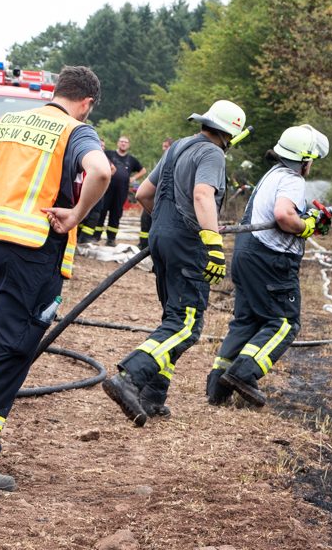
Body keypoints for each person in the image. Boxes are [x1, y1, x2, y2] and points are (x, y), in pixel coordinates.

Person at [0, 66, 111, 491]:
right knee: (10, 352)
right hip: (30, 255)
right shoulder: (75, 131)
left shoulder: (9, 122)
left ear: (56, 91)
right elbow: (102, 172)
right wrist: (77, 213)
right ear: (86, 103)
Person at [102, 100, 247, 426]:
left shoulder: (179, 146)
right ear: (230, 134)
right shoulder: (212, 153)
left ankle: (152, 396)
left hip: (160, 238)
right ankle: (130, 377)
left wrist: (166, 227)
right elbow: (202, 195)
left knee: (172, 319)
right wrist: (212, 242)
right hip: (187, 244)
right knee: (185, 325)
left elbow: (144, 194)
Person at [206, 124, 330, 407]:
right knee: (284, 323)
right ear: (305, 158)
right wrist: (306, 226)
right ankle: (243, 374)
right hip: (270, 260)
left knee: (247, 320)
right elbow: (285, 216)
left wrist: (308, 217)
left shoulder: (272, 174)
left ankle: (218, 387)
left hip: (247, 253)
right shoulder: (292, 179)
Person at [95, 135, 146, 246]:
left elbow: (143, 170)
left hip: (121, 192)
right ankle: (96, 236)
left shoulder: (131, 160)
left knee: (116, 214)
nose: (123, 143)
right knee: (102, 211)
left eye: (126, 142)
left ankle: (111, 239)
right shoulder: (109, 154)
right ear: (118, 143)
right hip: (106, 189)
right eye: (121, 141)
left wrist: (134, 178)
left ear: (128, 145)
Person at [78, 138, 116, 243]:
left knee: (95, 214)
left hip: (99, 190)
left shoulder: (104, 158)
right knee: (84, 211)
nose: (102, 148)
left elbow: (113, 169)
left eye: (103, 146)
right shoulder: (89, 155)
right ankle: (78, 236)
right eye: (100, 145)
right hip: (86, 188)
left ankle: (85, 238)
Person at [138, 137, 172, 251]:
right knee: (145, 222)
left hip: (161, 200)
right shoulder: (163, 160)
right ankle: (143, 246)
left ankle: (152, 248)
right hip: (152, 197)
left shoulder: (173, 161)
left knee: (155, 224)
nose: (164, 150)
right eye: (163, 147)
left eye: (166, 147)